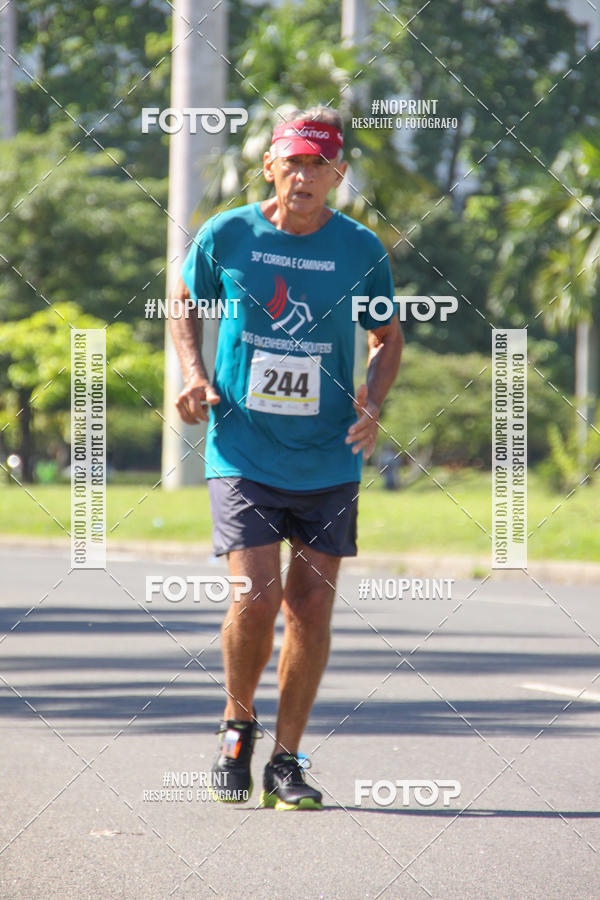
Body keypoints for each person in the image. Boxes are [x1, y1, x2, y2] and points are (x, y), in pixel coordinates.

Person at [169, 105, 403, 810]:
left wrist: (372, 399)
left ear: (338, 175)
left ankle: (287, 762)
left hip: (329, 455)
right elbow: (184, 300)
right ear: (270, 165)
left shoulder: (361, 249)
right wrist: (192, 371)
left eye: (319, 165)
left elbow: (386, 337)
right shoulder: (228, 234)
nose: (304, 176)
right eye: (292, 162)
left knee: (308, 607)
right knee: (257, 596)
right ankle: (237, 725)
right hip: (242, 446)